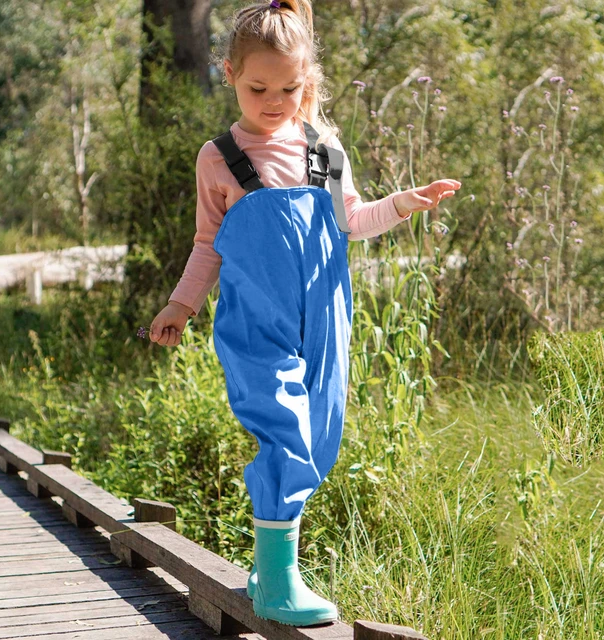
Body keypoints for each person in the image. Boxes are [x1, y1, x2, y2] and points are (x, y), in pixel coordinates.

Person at [149, 0, 461, 627]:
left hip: (324, 318)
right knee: (285, 431)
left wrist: (403, 202)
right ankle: (277, 586)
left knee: (319, 439)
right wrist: (182, 304)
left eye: (289, 88)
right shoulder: (220, 158)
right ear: (230, 73)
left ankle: (270, 562)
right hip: (254, 325)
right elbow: (208, 244)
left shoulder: (324, 147)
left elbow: (353, 220)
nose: (273, 100)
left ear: (306, 81)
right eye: (258, 87)